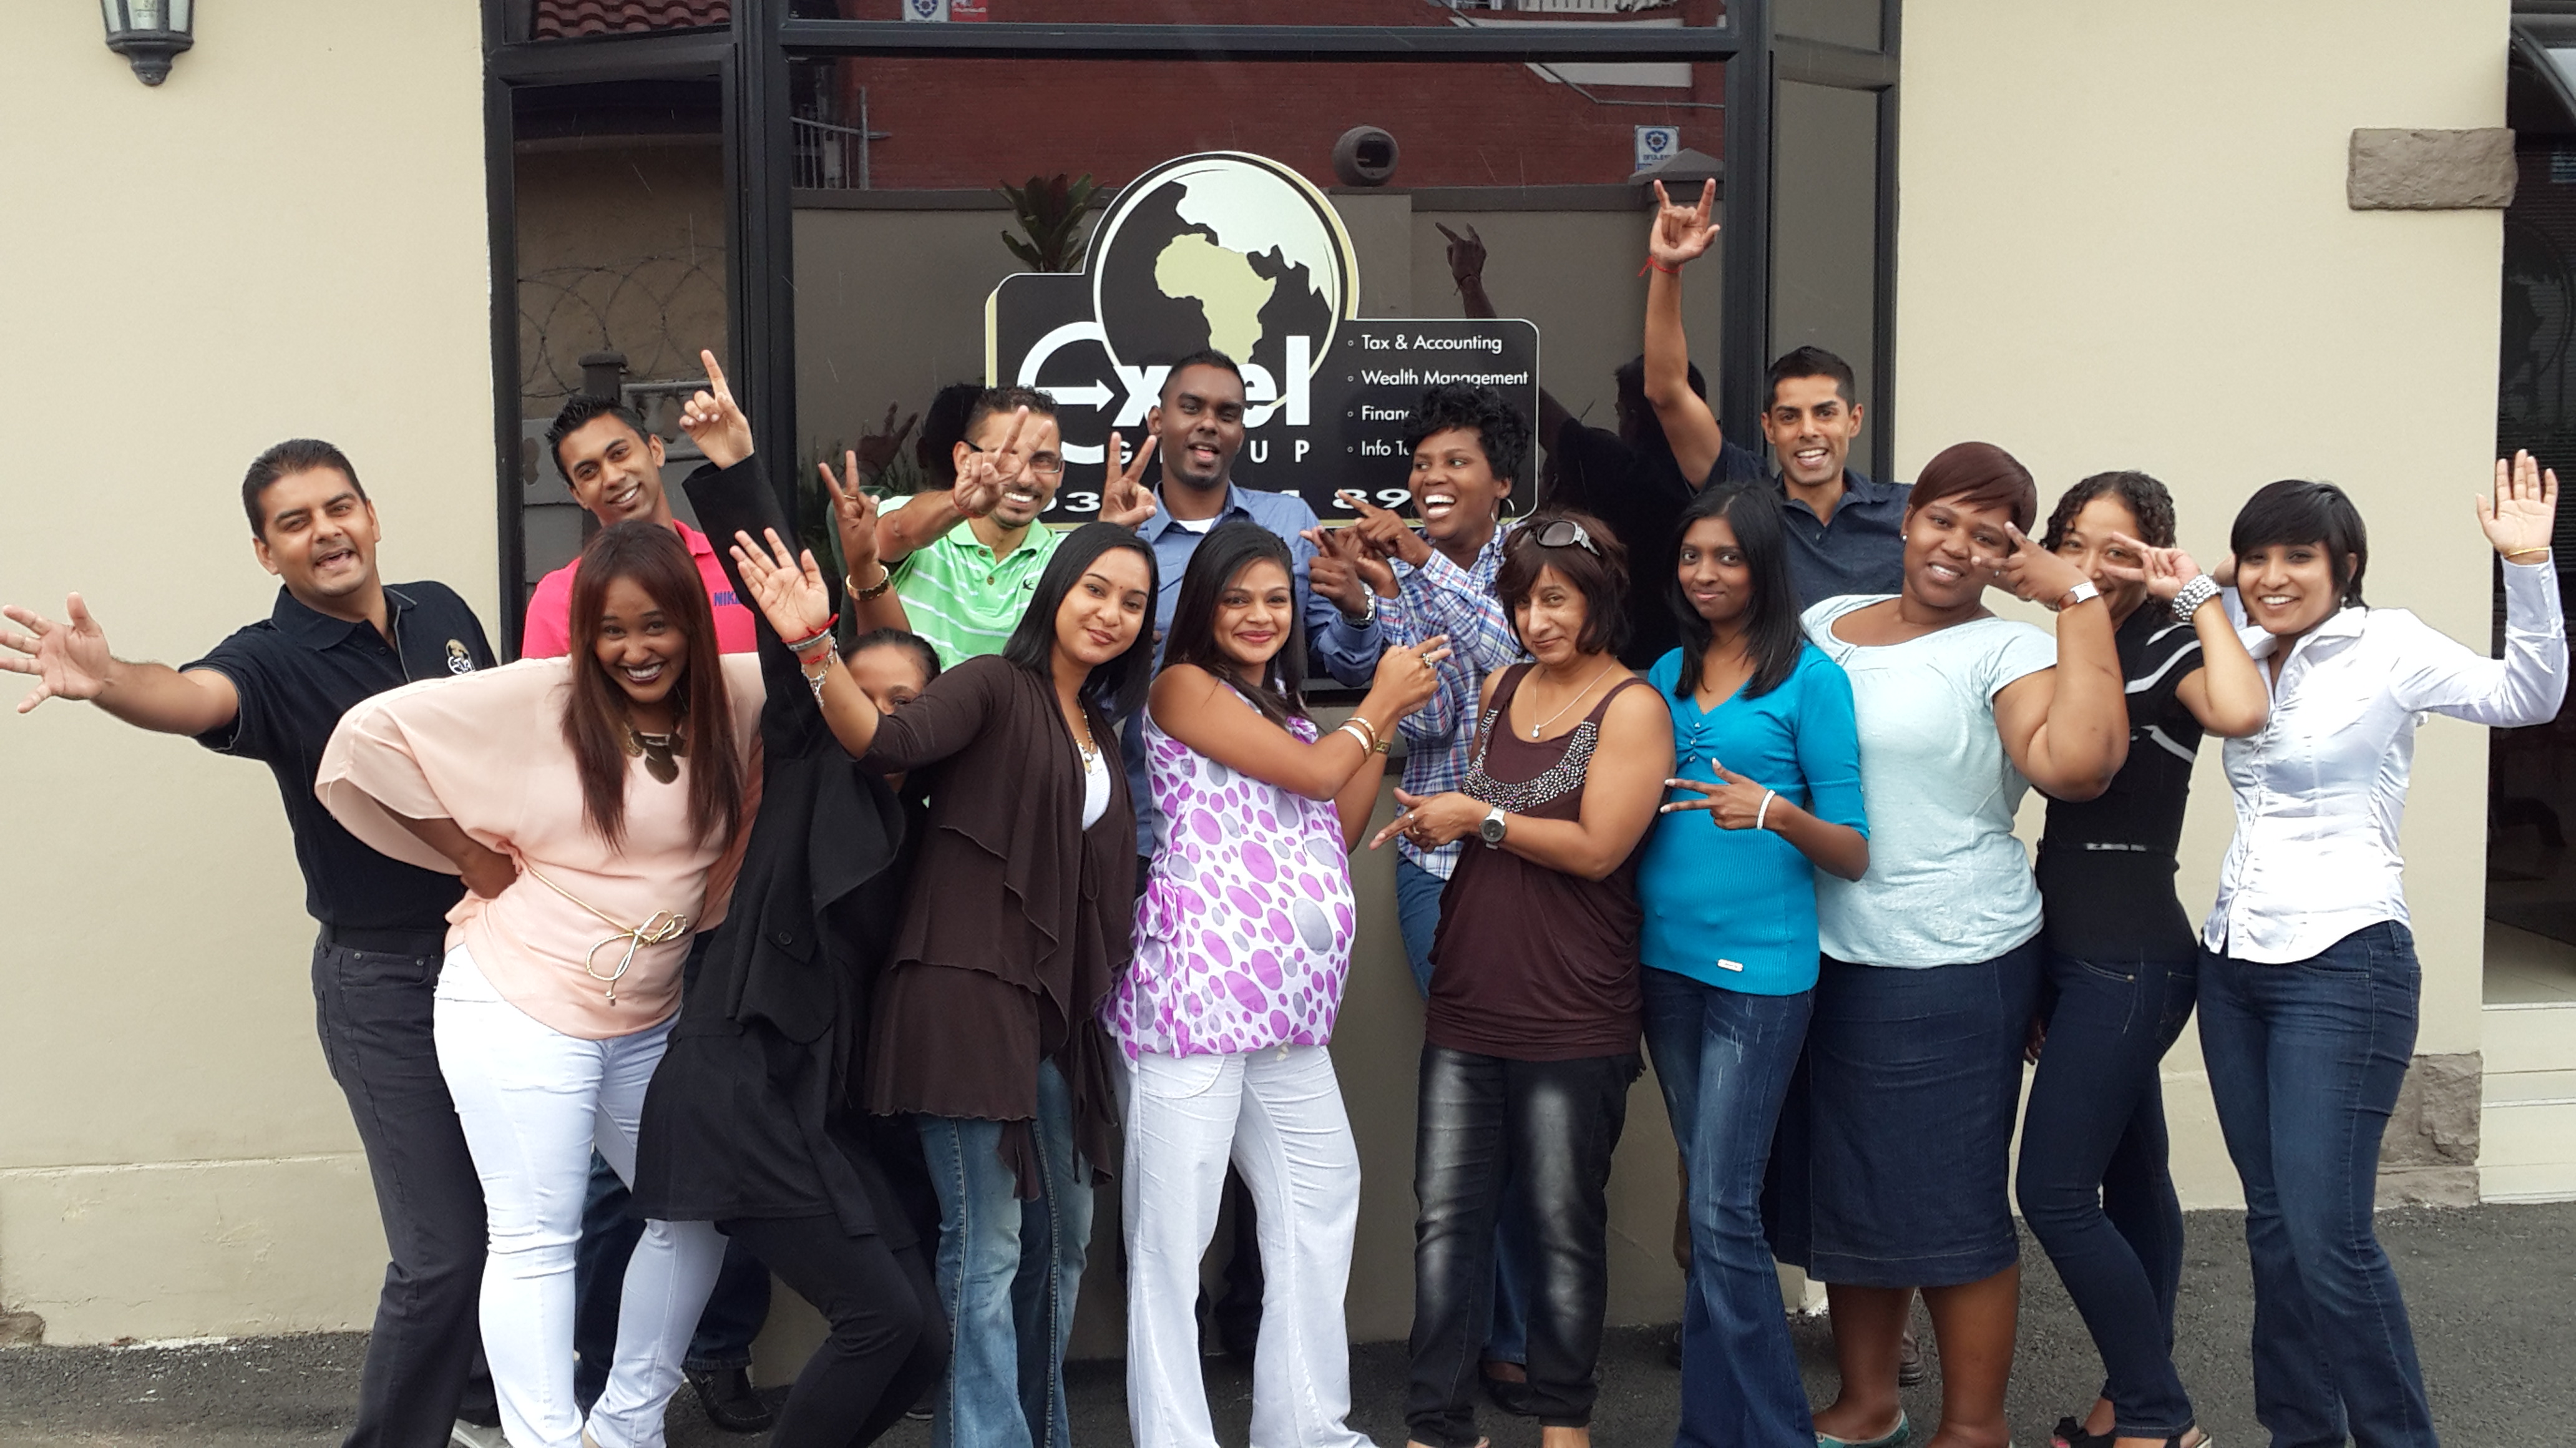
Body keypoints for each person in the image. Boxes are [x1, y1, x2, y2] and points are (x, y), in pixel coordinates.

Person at [0, 440, 497, 1448]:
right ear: (266, 553)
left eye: (339, 506)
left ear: (372, 515)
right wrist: (110, 680)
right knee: (442, 1248)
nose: (326, 532)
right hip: (384, 985)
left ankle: (483, 1401)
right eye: (294, 522)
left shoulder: (442, 611)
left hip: (498, 959)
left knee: (509, 1216)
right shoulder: (269, 660)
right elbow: (193, 695)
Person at [315, 501, 765, 1448]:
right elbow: (367, 740)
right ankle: (547, 1439)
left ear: (693, 622)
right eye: (612, 630)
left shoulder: (735, 696)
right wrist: (467, 857)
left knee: (700, 1212)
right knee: (537, 1235)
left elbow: (843, 686)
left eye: (657, 625)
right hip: (518, 1000)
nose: (636, 650)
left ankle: (625, 1427)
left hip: (649, 1012)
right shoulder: (544, 696)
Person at [2197, 457, 2564, 1448]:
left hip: (2345, 963)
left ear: (2345, 565)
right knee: (2275, 1228)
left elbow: (2527, 694)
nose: (2274, 576)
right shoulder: (2239, 639)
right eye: (2259, 556)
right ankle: (2301, 1434)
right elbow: (2197, 590)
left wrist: (2528, 566)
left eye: (2299, 557)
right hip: (2233, 963)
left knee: (2328, 1235)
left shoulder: (2388, 645)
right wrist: (2219, 578)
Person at [627, 354, 951, 1448]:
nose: (886, 715)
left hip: (823, 1110)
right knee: (879, 1322)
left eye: (911, 704)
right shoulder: (814, 761)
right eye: (869, 692)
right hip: (739, 1091)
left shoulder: (927, 827)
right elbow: (788, 622)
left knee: (922, 1339)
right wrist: (734, 468)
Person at [1781, 441, 2128, 1448]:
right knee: (1853, 1189)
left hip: (1950, 960)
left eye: (1988, 536)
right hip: (1827, 952)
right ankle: (1867, 1404)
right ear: (1906, 519)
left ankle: (1975, 1428)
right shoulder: (1824, 626)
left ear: (2009, 555)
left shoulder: (2008, 651)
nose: (1956, 546)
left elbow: (2076, 767)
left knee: (1948, 1202)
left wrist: (2075, 602)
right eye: (1942, 520)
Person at [791, 518, 1159, 1448]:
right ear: (1056, 590)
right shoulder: (994, 683)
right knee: (987, 1249)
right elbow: (885, 741)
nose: (1110, 613)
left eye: (1132, 601)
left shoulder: (1100, 730)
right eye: (1095, 589)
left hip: (1054, 1019)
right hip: (961, 996)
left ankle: (1037, 1433)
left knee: (1062, 1246)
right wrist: (815, 649)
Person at [1110, 521, 1450, 1448]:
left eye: (1275, 599)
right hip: (1195, 1005)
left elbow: (1332, 824)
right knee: (1172, 1242)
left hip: (1284, 1014)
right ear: (1203, 608)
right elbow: (1314, 772)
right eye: (1237, 598)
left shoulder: (1288, 710)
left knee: (1321, 1193)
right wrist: (1378, 705)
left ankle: (1305, 1428)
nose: (1259, 615)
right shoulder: (1183, 687)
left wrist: (1386, 726)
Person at [1372, 511, 1675, 1448]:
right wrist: (1442, 816)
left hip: (1573, 1003)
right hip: (1473, 987)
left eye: (1556, 599)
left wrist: (1479, 820)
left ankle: (1563, 1426)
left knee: (1559, 1221)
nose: (1536, 620)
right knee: (1446, 1219)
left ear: (1600, 600)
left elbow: (1599, 848)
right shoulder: (1500, 685)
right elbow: (1481, 807)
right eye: (1523, 601)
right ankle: (1436, 1425)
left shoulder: (1633, 706)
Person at [2017, 472, 2266, 1448]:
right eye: (2074, 543)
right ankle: (2133, 1405)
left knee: (2052, 1194)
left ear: (2153, 558)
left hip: (2131, 963)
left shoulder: (2171, 645)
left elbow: (2241, 708)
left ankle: (2157, 1412)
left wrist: (2192, 587)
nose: (2091, 565)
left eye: (2117, 549)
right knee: (2135, 1178)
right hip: (2074, 952)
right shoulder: (2079, 646)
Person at [1324, 383, 1544, 1413]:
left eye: (1454, 462)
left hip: (1539, 867)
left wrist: (1416, 566)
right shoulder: (1406, 578)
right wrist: (1366, 611)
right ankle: (1476, 1333)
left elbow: (1521, 671)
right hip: (1436, 873)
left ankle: (1525, 1331)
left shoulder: (1536, 563)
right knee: (1470, 1099)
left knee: (1535, 1102)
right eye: (1420, 464)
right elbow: (1425, 718)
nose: (1430, 479)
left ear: (1502, 483)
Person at [1636, 480, 1870, 1448]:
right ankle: (1709, 1431)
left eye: (1727, 557)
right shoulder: (1664, 670)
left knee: (1724, 1208)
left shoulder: (1812, 680)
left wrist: (1771, 810)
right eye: (1693, 556)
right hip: (1664, 963)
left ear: (1764, 566)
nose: (1706, 573)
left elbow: (1853, 850)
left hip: (1760, 974)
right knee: (1710, 1199)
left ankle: (1777, 1434)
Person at [1639, 180, 1910, 611]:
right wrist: (1667, 269)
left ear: (1854, 420)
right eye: (1789, 416)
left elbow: (1983, 560)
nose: (1808, 430)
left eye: (1825, 413)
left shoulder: (1905, 512)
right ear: (1768, 427)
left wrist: (2037, 580)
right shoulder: (1745, 495)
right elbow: (1666, 392)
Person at [1438, 218, 1696, 667]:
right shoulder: (1716, 476)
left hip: (1615, 664)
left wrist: (1470, 284)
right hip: (1681, 661)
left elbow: (1519, 388)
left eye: (1623, 412)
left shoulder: (1616, 468)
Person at [872, 388, 1153, 669]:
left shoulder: (1066, 557)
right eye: (1005, 457)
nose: (1024, 478)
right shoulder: (914, 520)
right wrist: (959, 504)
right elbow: (893, 535)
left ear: (1061, 473)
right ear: (963, 458)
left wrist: (1106, 538)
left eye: (1043, 461)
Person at [524, 394, 760, 657]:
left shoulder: (739, 562)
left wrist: (741, 469)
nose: (612, 477)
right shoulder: (559, 600)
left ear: (656, 450)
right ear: (578, 495)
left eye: (619, 454)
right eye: (588, 472)